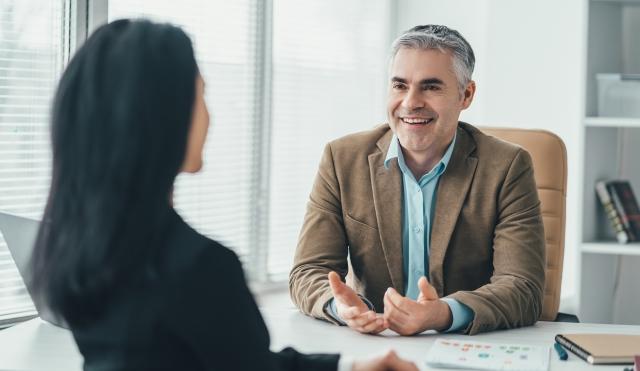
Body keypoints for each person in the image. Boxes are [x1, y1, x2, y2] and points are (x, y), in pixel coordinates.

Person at [30, 19, 418, 371]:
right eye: (200, 96)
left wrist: (349, 367)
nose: (209, 115)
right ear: (162, 118)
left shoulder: (80, 250)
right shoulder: (200, 268)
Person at [289, 24, 545, 336]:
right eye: (399, 86)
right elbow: (308, 272)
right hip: (374, 344)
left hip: (464, 348)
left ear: (466, 95)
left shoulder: (507, 167)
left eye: (431, 87)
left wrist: (441, 313)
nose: (411, 102)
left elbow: (523, 289)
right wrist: (339, 307)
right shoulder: (342, 159)